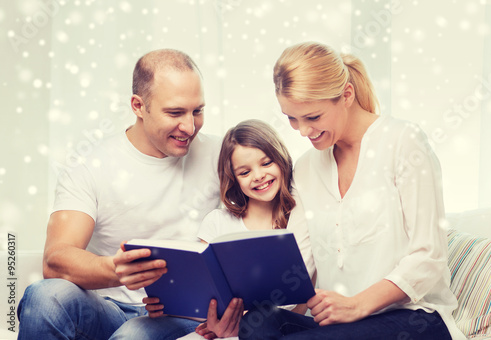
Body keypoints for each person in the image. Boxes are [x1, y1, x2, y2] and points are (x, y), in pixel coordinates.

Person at [239, 42, 467, 339]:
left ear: (346, 95)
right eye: (292, 118)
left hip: (416, 318)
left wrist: (357, 305)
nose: (303, 131)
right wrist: (240, 309)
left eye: (313, 117)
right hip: (344, 327)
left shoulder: (403, 142)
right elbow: (300, 262)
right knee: (257, 323)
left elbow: (429, 257)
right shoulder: (307, 168)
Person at [17, 48, 223, 340]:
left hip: (184, 316)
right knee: (45, 296)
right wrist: (113, 269)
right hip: (109, 308)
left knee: (131, 336)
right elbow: (55, 259)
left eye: (197, 111)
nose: (190, 127)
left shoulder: (222, 154)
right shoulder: (90, 165)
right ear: (138, 106)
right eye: (175, 112)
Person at [113, 119, 315, 340]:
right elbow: (203, 291)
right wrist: (168, 306)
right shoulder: (218, 222)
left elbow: (300, 303)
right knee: (133, 333)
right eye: (244, 172)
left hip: (272, 327)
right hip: (216, 326)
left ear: (282, 159)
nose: (258, 176)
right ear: (234, 179)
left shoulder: (300, 218)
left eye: (266, 163)